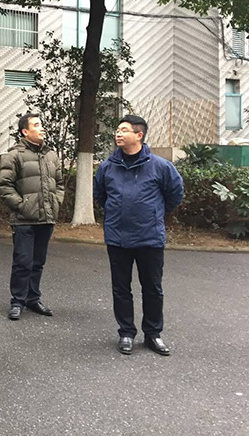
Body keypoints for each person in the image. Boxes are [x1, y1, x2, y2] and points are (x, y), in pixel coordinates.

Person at [94, 115, 184, 356]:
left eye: (124, 130)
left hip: (150, 238)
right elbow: (101, 196)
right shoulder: (107, 167)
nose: (118, 133)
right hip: (118, 238)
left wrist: (155, 213)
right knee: (121, 288)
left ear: (139, 135)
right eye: (117, 130)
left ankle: (153, 334)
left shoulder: (160, 166)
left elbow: (175, 193)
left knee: (152, 288)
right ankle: (126, 332)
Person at [0, 113, 64, 321]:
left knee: (38, 262)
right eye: (36, 125)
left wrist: (55, 203)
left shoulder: (51, 155)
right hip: (24, 220)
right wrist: (22, 206)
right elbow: (4, 186)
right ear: (25, 131)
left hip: (46, 218)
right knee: (22, 262)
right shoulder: (14, 155)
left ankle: (33, 298)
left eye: (41, 124)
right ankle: (17, 301)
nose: (42, 128)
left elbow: (60, 184)